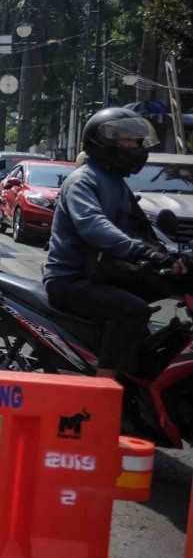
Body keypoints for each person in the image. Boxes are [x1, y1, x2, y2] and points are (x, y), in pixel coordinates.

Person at [44, 107, 190, 380]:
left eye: (137, 141)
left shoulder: (116, 183)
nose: (136, 147)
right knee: (132, 310)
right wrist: (140, 251)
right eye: (128, 141)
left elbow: (140, 229)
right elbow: (94, 226)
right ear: (105, 142)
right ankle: (105, 389)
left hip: (104, 272)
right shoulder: (83, 181)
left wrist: (169, 256)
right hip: (71, 280)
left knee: (173, 284)